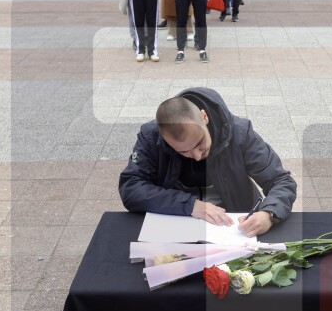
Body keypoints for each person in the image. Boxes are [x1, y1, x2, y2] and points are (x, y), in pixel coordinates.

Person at [119, 87, 297, 237]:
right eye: (182, 152)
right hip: (178, 220)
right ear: (164, 139)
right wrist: (190, 205)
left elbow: (281, 180)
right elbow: (131, 187)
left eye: (199, 143)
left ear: (204, 117)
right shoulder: (152, 137)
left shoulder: (240, 134)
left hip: (235, 225)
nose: (197, 156)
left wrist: (268, 213)